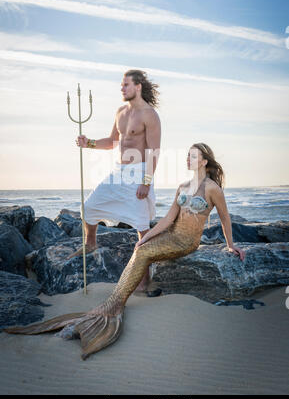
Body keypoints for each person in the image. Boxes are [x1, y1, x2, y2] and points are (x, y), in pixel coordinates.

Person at [6, 143, 246, 360]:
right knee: (140, 249)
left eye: (193, 156)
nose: (188, 159)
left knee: (143, 254)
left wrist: (230, 244)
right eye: (187, 155)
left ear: (204, 161)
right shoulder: (183, 186)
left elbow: (224, 219)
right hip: (170, 235)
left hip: (187, 241)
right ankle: (114, 304)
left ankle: (114, 305)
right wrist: (147, 237)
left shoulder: (212, 188)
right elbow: (167, 219)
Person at [67, 69, 161, 292]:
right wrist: (88, 143)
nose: (122, 88)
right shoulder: (120, 111)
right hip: (118, 171)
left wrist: (146, 182)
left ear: (137, 87)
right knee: (88, 207)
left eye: (126, 84)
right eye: (122, 85)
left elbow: (154, 152)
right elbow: (111, 142)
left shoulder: (150, 115)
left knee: (141, 226)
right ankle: (91, 243)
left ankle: (145, 278)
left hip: (138, 172)